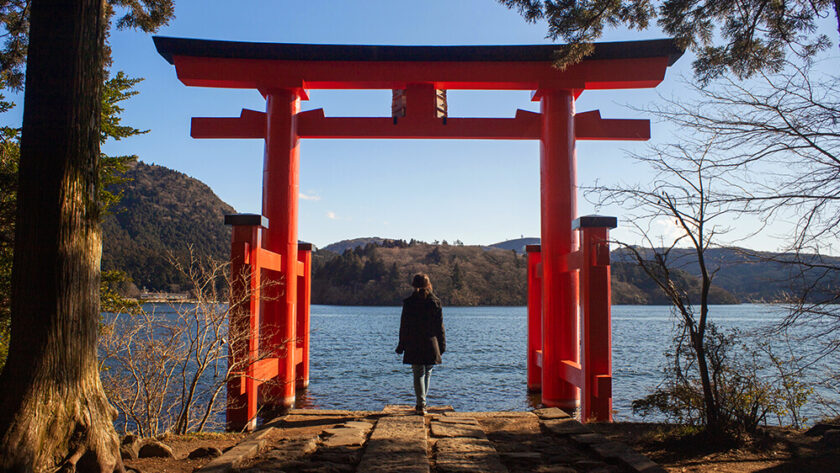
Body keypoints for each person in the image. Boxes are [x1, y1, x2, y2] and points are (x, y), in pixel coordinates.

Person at [395, 273, 446, 415]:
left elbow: (404, 326)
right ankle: (423, 403)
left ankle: (421, 405)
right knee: (427, 372)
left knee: (418, 373)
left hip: (414, 342)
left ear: (413, 285)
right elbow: (439, 327)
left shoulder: (409, 303)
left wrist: (401, 345)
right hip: (431, 342)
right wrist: (442, 345)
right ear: (428, 285)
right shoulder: (435, 302)